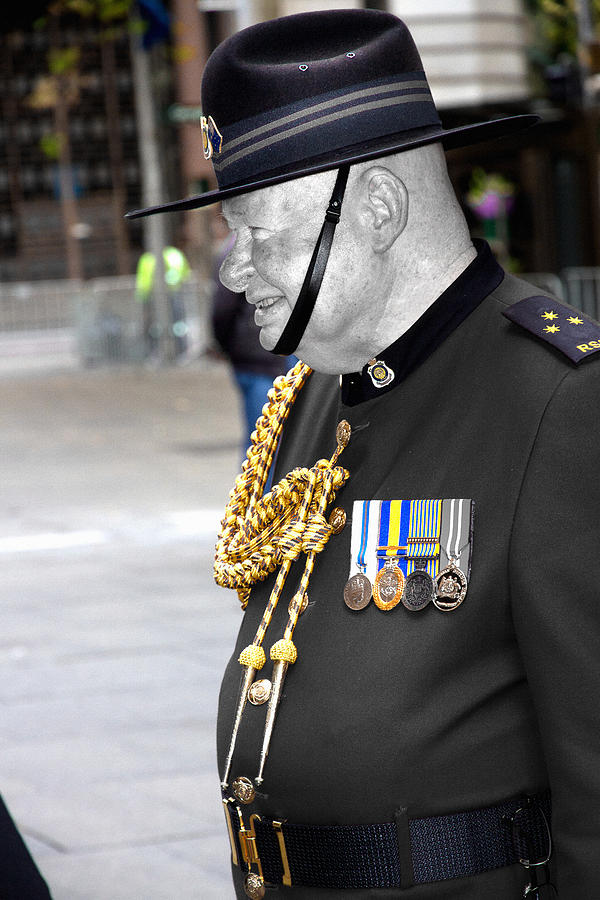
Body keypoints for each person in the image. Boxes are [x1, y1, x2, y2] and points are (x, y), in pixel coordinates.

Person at [126, 10, 600, 899]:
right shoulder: (308, 397)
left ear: (379, 208)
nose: (233, 269)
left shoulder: (563, 403)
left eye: (259, 230)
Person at [211, 231, 296, 452]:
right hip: (259, 360)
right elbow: (223, 308)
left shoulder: (236, 246)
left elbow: (221, 311)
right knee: (263, 443)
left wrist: (226, 347)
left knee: (264, 441)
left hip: (256, 359)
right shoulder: (238, 250)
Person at [135, 245, 190, 358]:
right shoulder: (147, 258)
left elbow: (181, 274)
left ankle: (179, 351)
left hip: (171, 295)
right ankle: (157, 352)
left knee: (176, 325)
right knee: (154, 327)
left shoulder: (171, 255)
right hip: (152, 297)